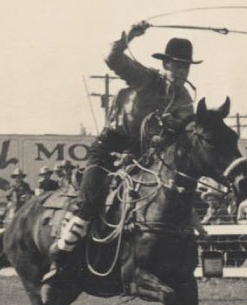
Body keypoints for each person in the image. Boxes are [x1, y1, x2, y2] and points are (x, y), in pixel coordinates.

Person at [44, 20, 201, 285]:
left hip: (144, 155)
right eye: (176, 65)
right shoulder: (145, 78)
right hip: (109, 147)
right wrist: (130, 36)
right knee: (90, 200)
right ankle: (61, 256)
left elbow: (180, 133)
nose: (181, 71)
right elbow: (112, 57)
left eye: (185, 66)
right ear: (166, 65)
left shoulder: (185, 99)